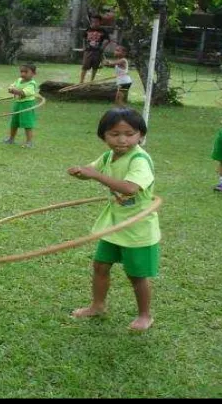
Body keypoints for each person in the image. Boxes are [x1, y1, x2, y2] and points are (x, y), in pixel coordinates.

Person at [67, 107, 160, 332]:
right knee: (100, 265)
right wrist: (80, 172)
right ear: (103, 136)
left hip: (138, 228)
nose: (122, 140)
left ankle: (145, 316)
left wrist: (96, 175)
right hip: (113, 225)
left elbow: (130, 188)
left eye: (129, 134)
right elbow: (91, 169)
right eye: (114, 134)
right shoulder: (109, 156)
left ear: (141, 135)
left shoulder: (139, 159)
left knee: (136, 275)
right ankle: (97, 306)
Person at [3, 63, 39, 148]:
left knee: (27, 124)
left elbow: (23, 93)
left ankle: (29, 142)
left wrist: (14, 90)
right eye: (21, 71)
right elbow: (12, 86)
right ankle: (11, 139)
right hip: (17, 104)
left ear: (33, 74)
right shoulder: (19, 80)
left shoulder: (31, 84)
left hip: (27, 105)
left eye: (26, 72)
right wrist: (11, 88)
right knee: (14, 123)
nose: (23, 74)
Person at [80, 15, 110, 84]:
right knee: (85, 66)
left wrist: (102, 48)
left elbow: (107, 40)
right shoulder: (88, 30)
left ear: (100, 22)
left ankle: (91, 81)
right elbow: (84, 38)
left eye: (96, 22)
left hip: (97, 52)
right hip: (88, 51)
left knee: (95, 67)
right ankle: (81, 81)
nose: (94, 23)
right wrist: (84, 47)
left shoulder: (103, 31)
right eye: (93, 22)